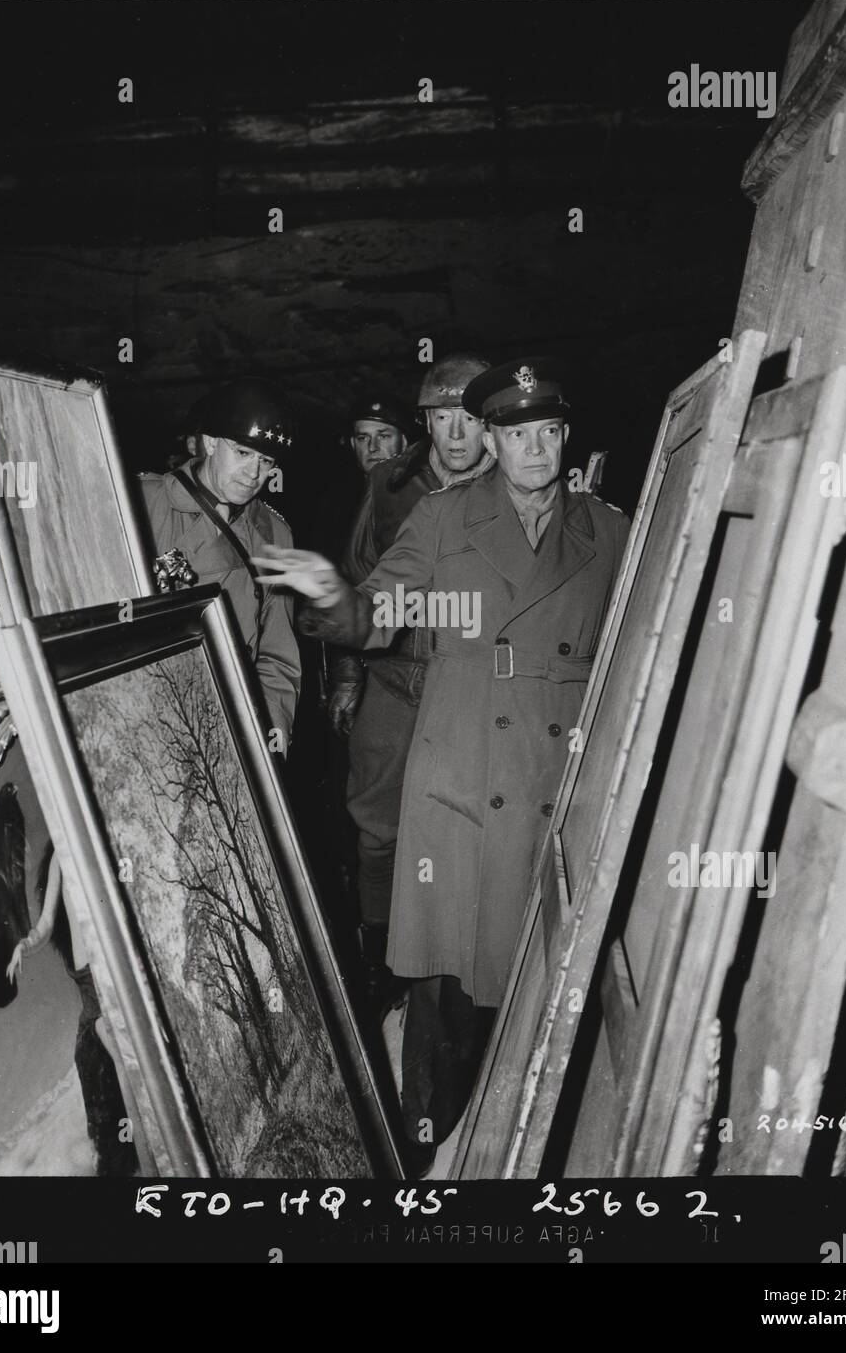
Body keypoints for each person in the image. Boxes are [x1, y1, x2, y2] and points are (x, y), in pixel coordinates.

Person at [255, 357, 630, 1167]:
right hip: (462, 773)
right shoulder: (442, 517)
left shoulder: (608, 531)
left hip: (559, 786)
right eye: (517, 433)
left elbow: (638, 650)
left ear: (566, 437)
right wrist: (329, 595)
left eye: (549, 432)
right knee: (448, 995)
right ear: (490, 442)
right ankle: (426, 1168)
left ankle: (525, 1158)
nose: (536, 448)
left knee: (543, 986)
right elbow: (376, 613)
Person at [326, 355, 493, 1016]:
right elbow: (353, 581)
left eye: (469, 419)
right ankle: (379, 958)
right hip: (395, 681)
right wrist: (345, 674)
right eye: (441, 418)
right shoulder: (391, 484)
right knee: (376, 826)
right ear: (425, 420)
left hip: (473, 690)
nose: (454, 435)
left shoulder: (521, 482)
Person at [137, 378, 302, 751]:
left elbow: (277, 645)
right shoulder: (143, 504)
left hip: (228, 715)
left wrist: (274, 714)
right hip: (146, 708)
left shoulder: (274, 534)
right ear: (211, 443)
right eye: (243, 453)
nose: (254, 474)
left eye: (266, 461)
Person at [348, 395, 409, 476]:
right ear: (353, 444)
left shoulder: (421, 487)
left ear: (403, 443)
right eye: (363, 438)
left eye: (383, 436)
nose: (372, 448)